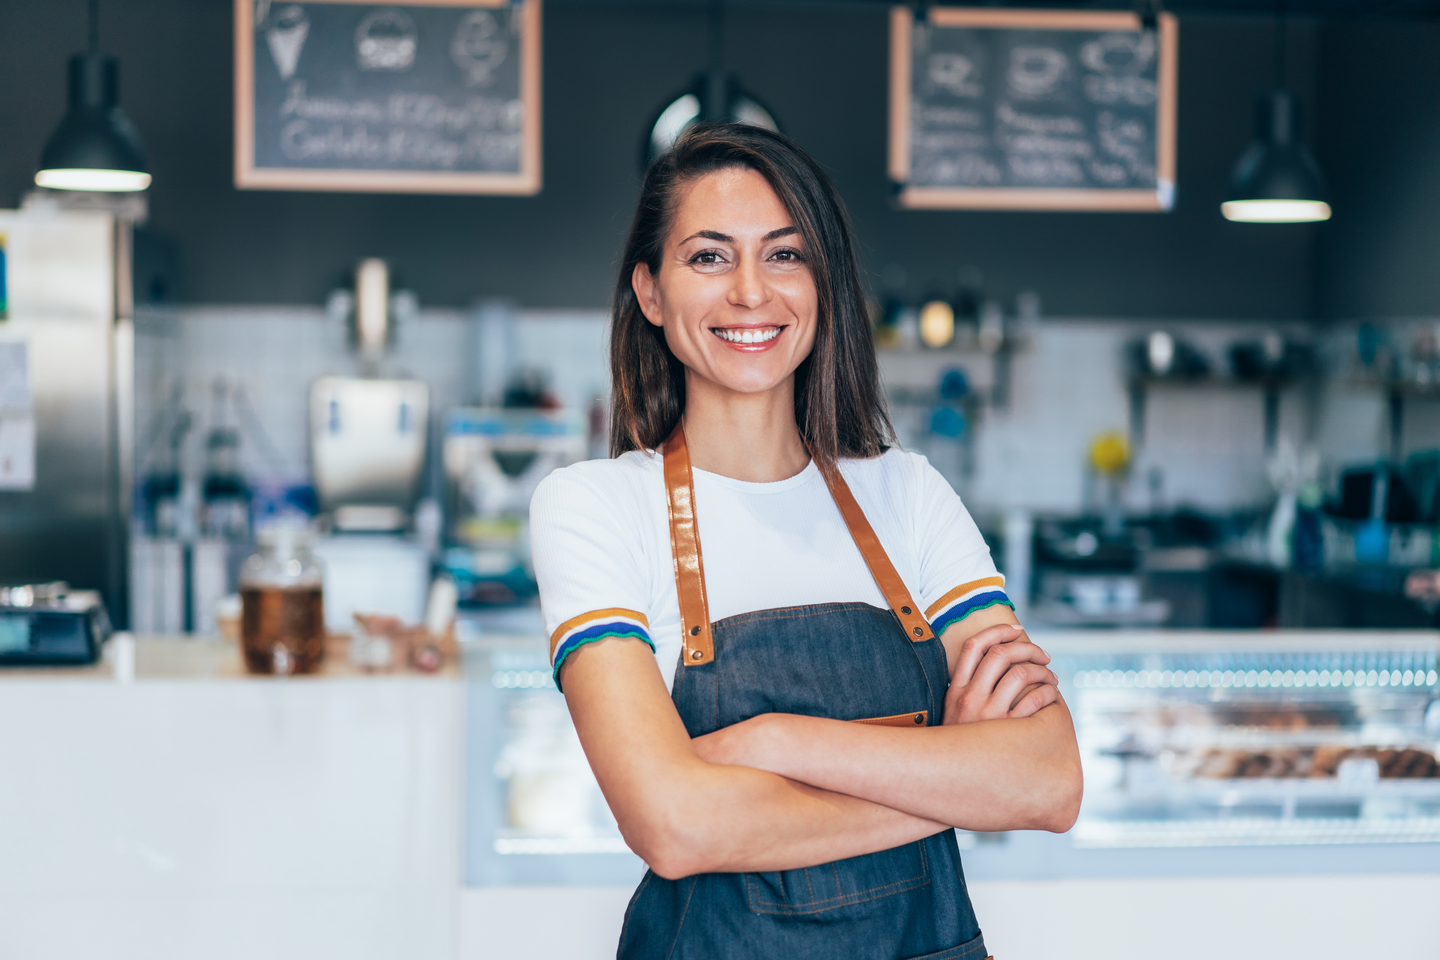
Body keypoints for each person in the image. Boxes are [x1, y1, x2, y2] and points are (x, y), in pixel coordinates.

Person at [530, 124, 1082, 960]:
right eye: (709, 257)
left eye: (785, 255)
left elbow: (1049, 780)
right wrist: (953, 774)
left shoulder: (909, 494)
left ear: (824, 283)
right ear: (649, 292)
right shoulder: (594, 507)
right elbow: (674, 827)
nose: (751, 292)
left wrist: (772, 742)